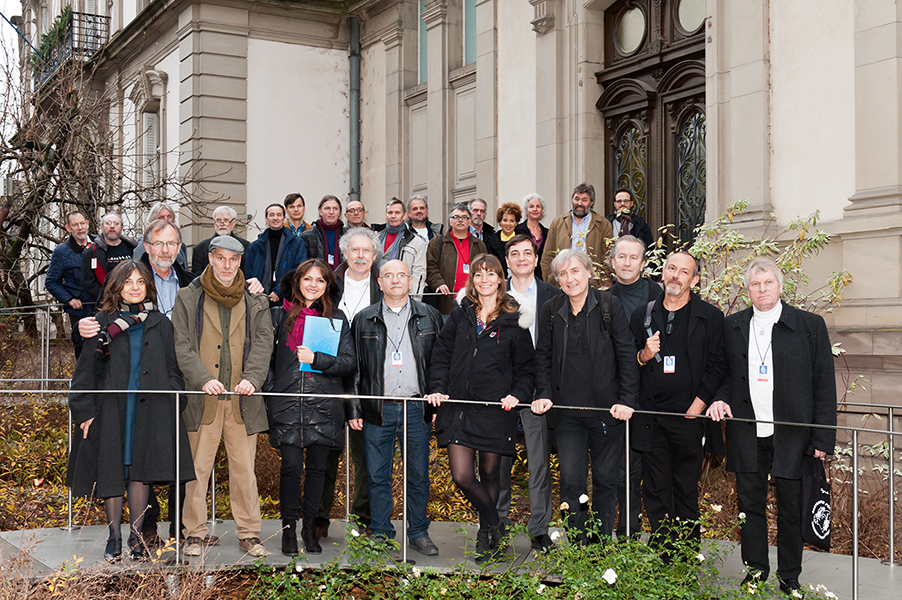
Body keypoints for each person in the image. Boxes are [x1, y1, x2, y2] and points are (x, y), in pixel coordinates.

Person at [706, 257, 836, 594]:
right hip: (747, 431)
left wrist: (823, 436)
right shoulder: (732, 326)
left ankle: (789, 575)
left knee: (791, 508)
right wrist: (719, 398)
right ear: (747, 289)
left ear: (780, 286)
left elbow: (824, 384)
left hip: (792, 433)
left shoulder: (809, 325)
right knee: (750, 507)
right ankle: (755, 572)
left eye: (768, 283)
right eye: (755, 284)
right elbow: (723, 373)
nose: (762, 289)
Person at [66, 260, 194, 561]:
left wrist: (174, 398)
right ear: (117, 286)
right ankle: (114, 537)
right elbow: (84, 373)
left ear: (147, 286)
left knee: (140, 472)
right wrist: (84, 413)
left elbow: (174, 370)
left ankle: (137, 537)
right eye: (128, 282)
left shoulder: (161, 322)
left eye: (140, 282)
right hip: (111, 411)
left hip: (150, 412)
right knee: (112, 471)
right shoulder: (101, 321)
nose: (134, 287)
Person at [426, 254, 535, 563]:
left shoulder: (515, 320)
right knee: (462, 476)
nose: (484, 280)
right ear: (471, 280)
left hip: (496, 409)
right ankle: (498, 525)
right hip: (459, 408)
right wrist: (437, 388)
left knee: (490, 475)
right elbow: (441, 356)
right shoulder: (460, 315)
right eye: (478, 275)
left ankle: (485, 535)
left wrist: (518, 394)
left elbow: (527, 368)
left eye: (491, 274)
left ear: (501, 279)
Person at [173, 236, 274, 558]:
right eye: (221, 258)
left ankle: (249, 533)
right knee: (197, 470)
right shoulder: (189, 297)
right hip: (204, 400)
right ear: (211, 259)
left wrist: (252, 379)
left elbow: (263, 343)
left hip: (242, 400)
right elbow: (181, 345)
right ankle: (194, 533)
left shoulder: (255, 300)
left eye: (234, 259)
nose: (227, 265)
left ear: (240, 262)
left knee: (244, 470)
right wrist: (202, 378)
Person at [532, 249, 639, 543]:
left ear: (589, 272)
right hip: (567, 416)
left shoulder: (609, 306)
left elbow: (627, 355)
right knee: (571, 481)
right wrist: (542, 393)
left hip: (607, 413)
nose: (570, 279)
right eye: (563, 274)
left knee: (606, 480)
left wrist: (627, 399)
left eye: (575, 271)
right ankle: (580, 543)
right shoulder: (551, 310)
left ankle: (602, 541)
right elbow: (542, 357)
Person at [629, 251, 726, 552]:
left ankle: (686, 552)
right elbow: (627, 365)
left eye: (684, 272)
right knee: (656, 489)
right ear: (663, 273)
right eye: (671, 268)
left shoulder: (710, 317)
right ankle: (663, 553)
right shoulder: (642, 315)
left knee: (685, 489)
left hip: (688, 418)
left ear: (694, 280)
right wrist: (643, 355)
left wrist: (699, 404)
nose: (675, 275)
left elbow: (718, 365)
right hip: (652, 419)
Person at [264, 258, 360, 555]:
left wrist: (318, 359)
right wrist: (272, 394)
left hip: (324, 405)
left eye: (320, 280)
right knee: (291, 469)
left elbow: (349, 363)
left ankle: (310, 528)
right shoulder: (279, 317)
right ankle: (288, 529)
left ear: (327, 285)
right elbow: (264, 361)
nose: (313, 285)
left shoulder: (337, 319)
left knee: (318, 470)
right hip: (288, 403)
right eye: (308, 279)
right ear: (298, 282)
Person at [353, 259, 444, 556]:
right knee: (377, 475)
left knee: (418, 475)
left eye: (400, 275)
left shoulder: (429, 316)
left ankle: (418, 532)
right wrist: (355, 409)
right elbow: (355, 369)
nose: (394, 280)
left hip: (417, 408)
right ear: (379, 283)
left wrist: (438, 396)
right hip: (378, 409)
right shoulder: (364, 319)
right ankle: (380, 531)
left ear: (411, 280)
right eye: (388, 276)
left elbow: (440, 364)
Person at [496, 235, 562, 551]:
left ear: (536, 260)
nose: (521, 258)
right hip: (503, 390)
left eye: (527, 253)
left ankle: (539, 528)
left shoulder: (554, 295)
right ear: (507, 260)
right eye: (514, 253)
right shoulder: (493, 295)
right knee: (499, 462)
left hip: (540, 388)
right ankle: (497, 524)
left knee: (538, 462)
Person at [316, 227, 382, 538]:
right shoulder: (327, 286)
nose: (360, 256)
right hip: (330, 377)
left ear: (374, 255)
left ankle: (362, 519)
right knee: (326, 455)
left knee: (366, 457)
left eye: (366, 251)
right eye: (354, 250)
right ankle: (318, 519)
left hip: (368, 383)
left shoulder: (383, 286)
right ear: (344, 254)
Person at [608, 235, 661, 539]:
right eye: (621, 257)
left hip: (654, 394)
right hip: (620, 394)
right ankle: (628, 529)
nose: (627, 263)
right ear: (612, 262)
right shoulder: (603, 299)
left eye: (633, 258)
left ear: (643, 263)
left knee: (653, 467)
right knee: (624, 468)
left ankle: (662, 533)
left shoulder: (658, 295)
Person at [540, 183, 614, 286]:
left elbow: (608, 258)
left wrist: (602, 283)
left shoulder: (603, 224)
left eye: (584, 200)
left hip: (592, 284)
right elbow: (547, 256)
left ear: (591, 203)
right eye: (576, 199)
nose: (579, 203)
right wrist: (551, 280)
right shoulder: (557, 223)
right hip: (563, 283)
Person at [425, 203, 488, 315]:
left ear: (469, 222)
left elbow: (485, 270)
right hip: (446, 300)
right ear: (450, 221)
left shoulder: (479, 245)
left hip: (472, 300)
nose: (460, 220)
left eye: (464, 217)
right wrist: (439, 283)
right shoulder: (438, 242)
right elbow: (430, 267)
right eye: (456, 217)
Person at [45, 211, 93, 357]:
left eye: (82, 223)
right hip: (80, 310)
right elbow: (51, 282)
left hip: (102, 306)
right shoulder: (62, 251)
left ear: (88, 224)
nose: (80, 228)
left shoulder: (100, 244)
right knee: (84, 351)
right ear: (68, 228)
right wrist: (69, 299)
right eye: (75, 225)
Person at [245, 203, 307, 304]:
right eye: (271, 215)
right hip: (259, 299)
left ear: (284, 218)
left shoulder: (297, 243)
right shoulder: (254, 247)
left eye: (278, 215)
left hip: (287, 299)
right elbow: (249, 275)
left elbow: (299, 270)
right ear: (266, 219)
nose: (275, 218)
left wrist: (279, 291)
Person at [372, 198, 427, 299]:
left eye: (397, 213)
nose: (393, 216)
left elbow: (419, 273)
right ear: (386, 215)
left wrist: (414, 300)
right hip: (375, 292)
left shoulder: (416, 242)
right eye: (390, 212)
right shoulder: (375, 238)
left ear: (404, 215)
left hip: (400, 293)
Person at [81, 213, 138, 303]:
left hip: (133, 300)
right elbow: (88, 283)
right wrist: (111, 297)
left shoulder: (133, 248)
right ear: (102, 227)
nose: (112, 226)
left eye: (116, 224)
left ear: (122, 228)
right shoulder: (91, 253)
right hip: (106, 303)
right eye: (108, 223)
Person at [192, 206, 251, 276]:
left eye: (226, 220)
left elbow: (247, 274)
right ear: (214, 223)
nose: (222, 224)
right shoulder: (201, 248)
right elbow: (196, 278)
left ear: (234, 222)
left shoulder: (245, 246)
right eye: (218, 220)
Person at [133, 201, 189, 270]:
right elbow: (137, 267)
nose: (166, 220)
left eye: (169, 216)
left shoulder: (181, 246)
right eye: (161, 217)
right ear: (153, 220)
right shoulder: (145, 242)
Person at [301, 195, 346, 271]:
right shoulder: (307, 236)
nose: (331, 212)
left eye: (335, 209)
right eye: (327, 208)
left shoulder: (348, 236)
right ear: (320, 211)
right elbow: (303, 266)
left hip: (342, 281)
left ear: (339, 213)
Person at [514, 193, 549, 280]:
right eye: (531, 206)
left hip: (543, 279)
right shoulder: (517, 230)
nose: (535, 209)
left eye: (538, 206)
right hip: (522, 275)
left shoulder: (547, 233)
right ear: (526, 210)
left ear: (542, 210)